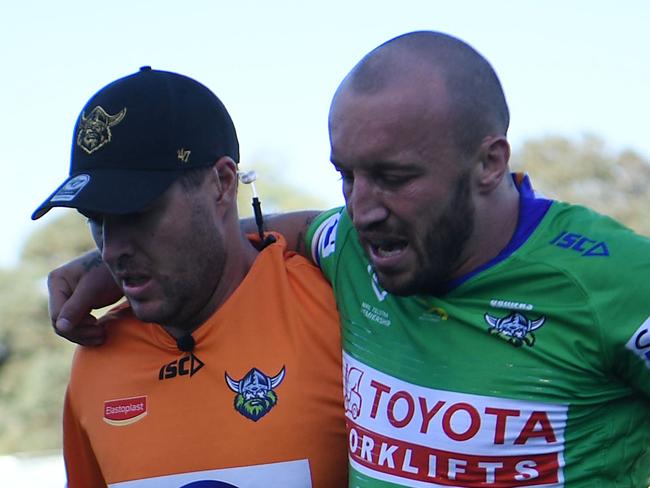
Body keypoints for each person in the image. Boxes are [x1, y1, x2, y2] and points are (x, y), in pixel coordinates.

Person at [46, 32, 650, 487]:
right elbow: (297, 228)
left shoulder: (615, 281)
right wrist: (112, 264)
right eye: (347, 177)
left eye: (393, 177)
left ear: (490, 162)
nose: (363, 208)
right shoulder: (355, 256)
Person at [32, 67, 347, 487]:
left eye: (136, 213)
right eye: (97, 220)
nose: (110, 250)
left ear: (222, 182)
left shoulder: (336, 310)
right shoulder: (96, 360)